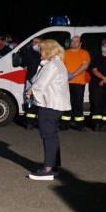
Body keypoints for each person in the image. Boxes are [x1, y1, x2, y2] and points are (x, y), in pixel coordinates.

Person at [26, 39, 71, 180]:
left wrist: (30, 92)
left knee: (48, 136)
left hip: (50, 104)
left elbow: (40, 84)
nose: (40, 52)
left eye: (42, 49)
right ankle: (54, 165)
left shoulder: (52, 65)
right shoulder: (57, 63)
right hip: (55, 104)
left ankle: (48, 170)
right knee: (52, 135)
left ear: (49, 50)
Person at [62, 35, 90, 130]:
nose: (74, 43)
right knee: (66, 103)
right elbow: (60, 66)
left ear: (80, 43)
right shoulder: (64, 53)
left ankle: (80, 125)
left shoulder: (84, 53)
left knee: (78, 104)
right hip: (66, 83)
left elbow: (85, 66)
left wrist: (72, 74)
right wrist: (66, 73)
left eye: (76, 41)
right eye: (73, 41)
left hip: (78, 83)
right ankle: (64, 125)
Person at [19, 38, 42, 129]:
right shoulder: (29, 52)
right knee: (29, 102)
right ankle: (29, 122)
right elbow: (23, 61)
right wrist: (24, 65)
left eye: (37, 42)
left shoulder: (45, 52)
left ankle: (40, 122)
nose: (35, 43)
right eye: (33, 42)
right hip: (30, 80)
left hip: (41, 82)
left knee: (40, 102)